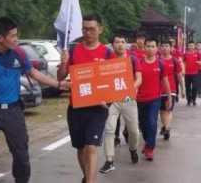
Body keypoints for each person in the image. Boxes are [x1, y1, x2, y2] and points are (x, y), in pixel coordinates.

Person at [0, 17, 69, 183]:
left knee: (21, 156)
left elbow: (34, 73)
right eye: (12, 36)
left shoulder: (19, 54)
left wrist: (59, 84)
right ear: (0, 38)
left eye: (16, 35)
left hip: (14, 112)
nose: (16, 39)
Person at [57, 14, 114, 183]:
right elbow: (61, 77)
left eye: (91, 29)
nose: (87, 32)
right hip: (76, 107)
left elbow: (113, 82)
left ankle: (90, 181)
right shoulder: (74, 51)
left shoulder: (107, 53)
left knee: (91, 147)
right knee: (81, 148)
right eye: (84, 29)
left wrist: (107, 101)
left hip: (97, 108)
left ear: (100, 30)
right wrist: (64, 63)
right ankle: (86, 176)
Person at [100, 34, 142, 174]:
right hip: (112, 100)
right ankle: (109, 160)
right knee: (109, 129)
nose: (120, 44)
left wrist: (133, 88)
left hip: (128, 99)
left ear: (126, 44)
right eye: (117, 42)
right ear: (112, 45)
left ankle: (133, 149)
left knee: (134, 131)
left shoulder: (132, 59)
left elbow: (139, 79)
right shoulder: (107, 61)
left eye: (122, 42)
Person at [137, 38, 170, 161]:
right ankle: (147, 142)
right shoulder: (139, 62)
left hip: (154, 99)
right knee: (143, 126)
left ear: (157, 49)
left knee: (152, 122)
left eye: (152, 46)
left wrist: (168, 97)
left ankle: (150, 148)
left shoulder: (161, 64)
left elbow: (165, 81)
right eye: (148, 46)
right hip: (139, 99)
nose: (150, 49)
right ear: (144, 48)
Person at [159, 41, 184, 140]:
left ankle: (167, 128)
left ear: (171, 48)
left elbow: (179, 75)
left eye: (167, 46)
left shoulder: (174, 61)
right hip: (159, 90)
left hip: (171, 89)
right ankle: (165, 126)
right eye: (163, 46)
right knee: (162, 111)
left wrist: (183, 89)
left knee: (168, 110)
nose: (165, 48)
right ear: (160, 48)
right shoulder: (157, 60)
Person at [183, 42, 201, 106]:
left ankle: (194, 100)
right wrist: (183, 71)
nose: (191, 47)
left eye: (192, 46)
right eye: (189, 46)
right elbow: (183, 62)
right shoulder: (185, 54)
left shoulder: (197, 54)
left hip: (195, 73)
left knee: (195, 87)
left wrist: (198, 62)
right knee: (187, 87)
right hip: (187, 74)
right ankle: (188, 100)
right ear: (188, 47)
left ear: (194, 46)